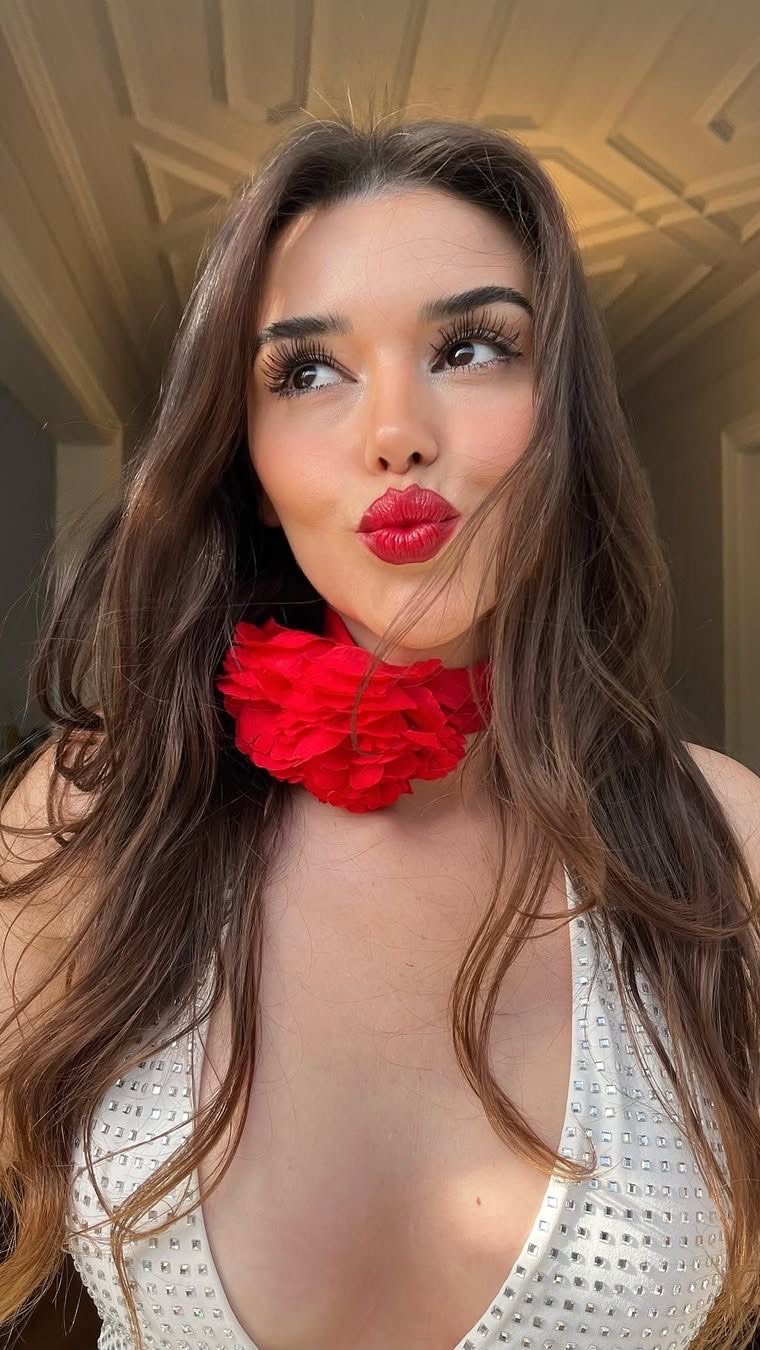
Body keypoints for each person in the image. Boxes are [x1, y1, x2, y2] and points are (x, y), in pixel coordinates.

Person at [1, 110, 760, 1350]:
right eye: (307, 371)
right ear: (244, 456)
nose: (395, 429)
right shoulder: (88, 812)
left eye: (471, 348)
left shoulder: (725, 841)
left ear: (561, 413)